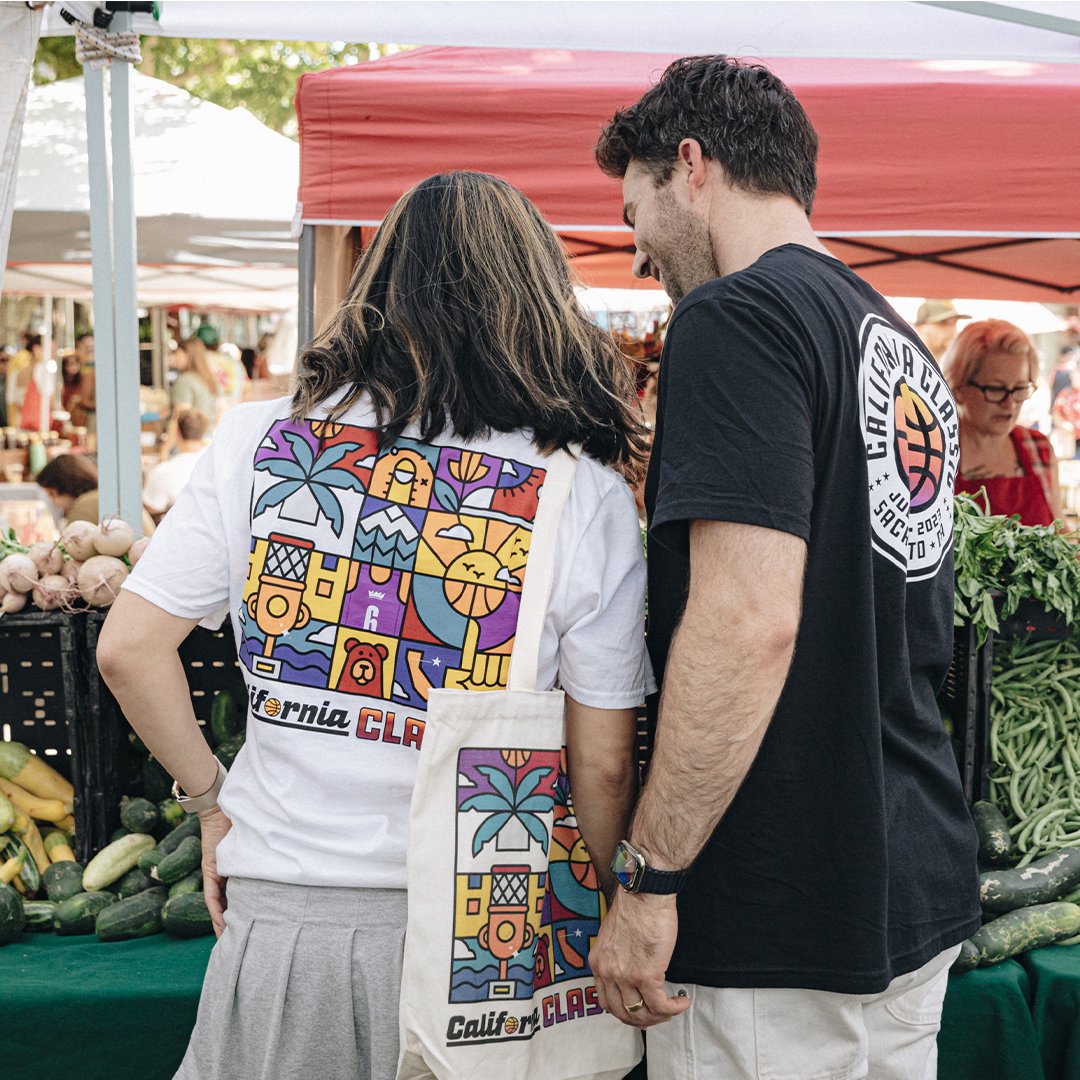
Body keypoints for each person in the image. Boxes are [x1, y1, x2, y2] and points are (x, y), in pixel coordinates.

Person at [96, 170, 651, 1080]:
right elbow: (603, 761)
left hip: (287, 921)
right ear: (535, 299)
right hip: (492, 928)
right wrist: (617, 900)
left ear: (376, 284)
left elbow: (128, 648)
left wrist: (210, 801)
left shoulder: (259, 439)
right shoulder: (576, 488)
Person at [588, 55, 980, 1079]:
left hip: (780, 901)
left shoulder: (736, 317)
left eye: (638, 220)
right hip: (901, 874)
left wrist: (652, 881)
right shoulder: (892, 340)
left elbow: (749, 620)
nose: (641, 258)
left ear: (691, 164)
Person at [944, 319, 1062, 525]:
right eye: (996, 389)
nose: (1009, 404)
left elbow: (1059, 530)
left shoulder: (1037, 448)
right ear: (959, 387)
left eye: (1019, 389)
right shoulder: (938, 455)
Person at [36, 453, 156, 536]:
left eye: (51, 494)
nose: (53, 502)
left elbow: (72, 549)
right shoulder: (100, 496)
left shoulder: (83, 506)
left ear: (65, 486)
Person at [143, 408, 210, 518]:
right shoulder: (212, 462)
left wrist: (166, 447)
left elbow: (149, 509)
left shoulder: (165, 471)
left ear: (176, 432)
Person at [171, 337, 221, 423]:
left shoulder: (185, 381)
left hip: (191, 435)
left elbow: (181, 417)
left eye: (178, 353)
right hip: (209, 433)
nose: (176, 358)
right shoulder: (208, 378)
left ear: (188, 354)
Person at [914, 299, 969, 363]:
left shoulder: (952, 366)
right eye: (944, 322)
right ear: (921, 328)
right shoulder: (909, 365)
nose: (952, 329)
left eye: (955, 323)